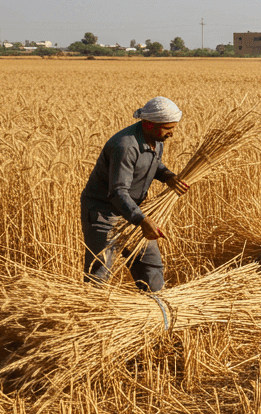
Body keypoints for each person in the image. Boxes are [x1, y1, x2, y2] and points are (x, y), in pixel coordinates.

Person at [80, 97, 190, 292]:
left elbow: (151, 164)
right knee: (99, 272)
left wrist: (168, 177)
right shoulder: (125, 146)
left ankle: (156, 314)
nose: (172, 133)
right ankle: (91, 315)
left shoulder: (156, 139)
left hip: (133, 211)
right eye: (167, 128)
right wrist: (142, 220)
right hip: (105, 214)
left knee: (151, 268)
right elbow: (117, 192)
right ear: (148, 124)